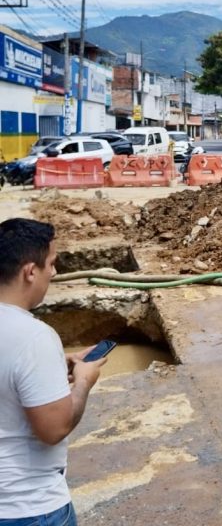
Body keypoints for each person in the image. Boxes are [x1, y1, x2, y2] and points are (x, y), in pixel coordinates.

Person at [0, 218, 107, 526]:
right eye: (51, 264)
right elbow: (53, 429)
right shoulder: (34, 337)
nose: (54, 272)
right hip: (28, 508)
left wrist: (52, 367)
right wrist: (83, 382)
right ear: (30, 272)